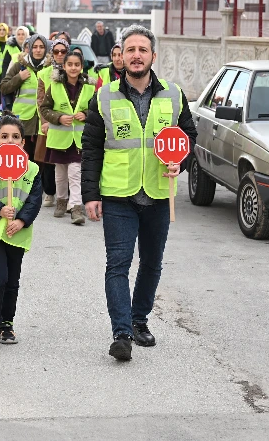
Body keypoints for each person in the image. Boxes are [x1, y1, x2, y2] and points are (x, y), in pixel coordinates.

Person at [81, 25, 198, 362]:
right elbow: (91, 148)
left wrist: (183, 162)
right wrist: (91, 194)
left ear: (152, 56)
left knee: (151, 264)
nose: (136, 55)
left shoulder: (174, 95)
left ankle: (139, 319)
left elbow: (188, 137)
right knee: (118, 264)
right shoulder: (104, 96)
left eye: (142, 50)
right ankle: (121, 333)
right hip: (119, 195)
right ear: (121, 56)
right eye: (130, 49)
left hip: (159, 194)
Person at [0, 114, 43, 348]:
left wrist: (22, 221)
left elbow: (34, 200)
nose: (10, 141)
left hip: (18, 231)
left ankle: (7, 323)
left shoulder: (32, 170)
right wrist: (0, 209)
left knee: (13, 280)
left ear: (23, 142)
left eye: (15, 137)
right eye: (4, 136)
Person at [39, 49, 94, 225]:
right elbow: (45, 109)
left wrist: (85, 114)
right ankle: (61, 201)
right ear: (64, 66)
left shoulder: (89, 87)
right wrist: (59, 118)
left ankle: (76, 207)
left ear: (81, 66)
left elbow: (96, 109)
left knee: (75, 173)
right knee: (60, 174)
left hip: (78, 140)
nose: (73, 68)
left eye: (77, 65)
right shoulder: (54, 86)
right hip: (59, 139)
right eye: (70, 64)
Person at [0, 33, 50, 178]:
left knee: (40, 160)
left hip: (43, 121)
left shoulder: (50, 68)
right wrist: (19, 78)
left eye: (41, 47)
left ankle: (38, 191)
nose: (38, 50)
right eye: (35, 47)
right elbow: (3, 87)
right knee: (23, 158)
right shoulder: (19, 66)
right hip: (23, 120)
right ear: (29, 48)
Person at [34, 38, 69, 209]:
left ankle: (67, 195)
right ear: (52, 54)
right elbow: (41, 100)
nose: (60, 55)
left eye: (63, 51)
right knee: (48, 160)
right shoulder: (43, 73)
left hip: (69, 122)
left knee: (68, 159)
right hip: (49, 121)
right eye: (57, 51)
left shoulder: (74, 70)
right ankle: (49, 192)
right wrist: (45, 121)